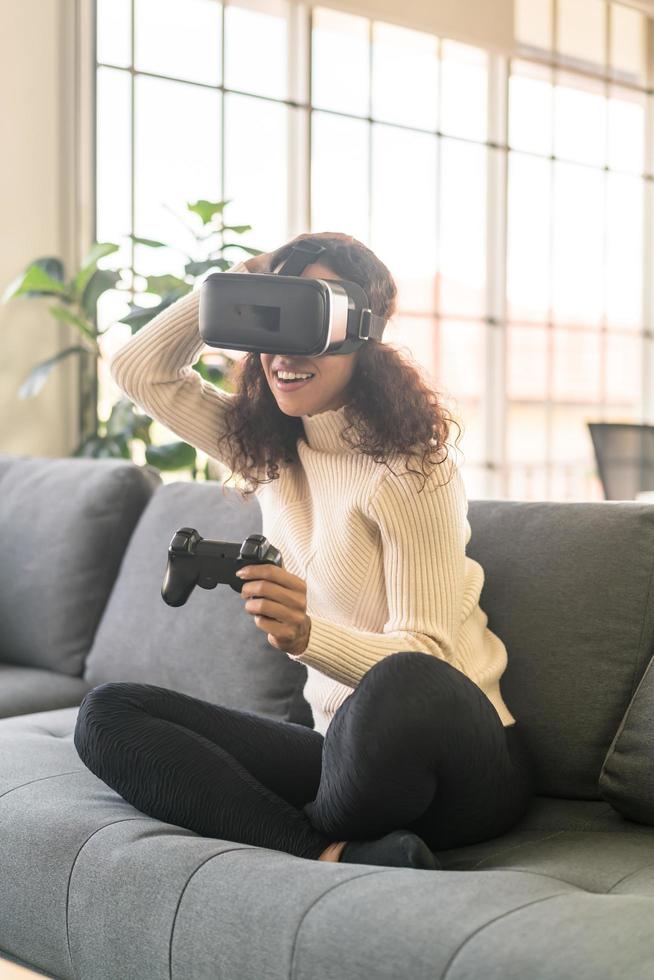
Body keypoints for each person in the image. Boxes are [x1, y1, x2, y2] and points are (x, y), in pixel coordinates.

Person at [73, 231, 536, 870]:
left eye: (307, 317)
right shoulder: (267, 452)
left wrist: (307, 636)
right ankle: (327, 851)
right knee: (109, 713)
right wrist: (247, 275)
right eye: (273, 320)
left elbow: (429, 659)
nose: (282, 354)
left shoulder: (408, 472)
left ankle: (297, 825)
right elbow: (138, 370)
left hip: (460, 762)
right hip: (340, 754)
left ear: (360, 333)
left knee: (400, 681)